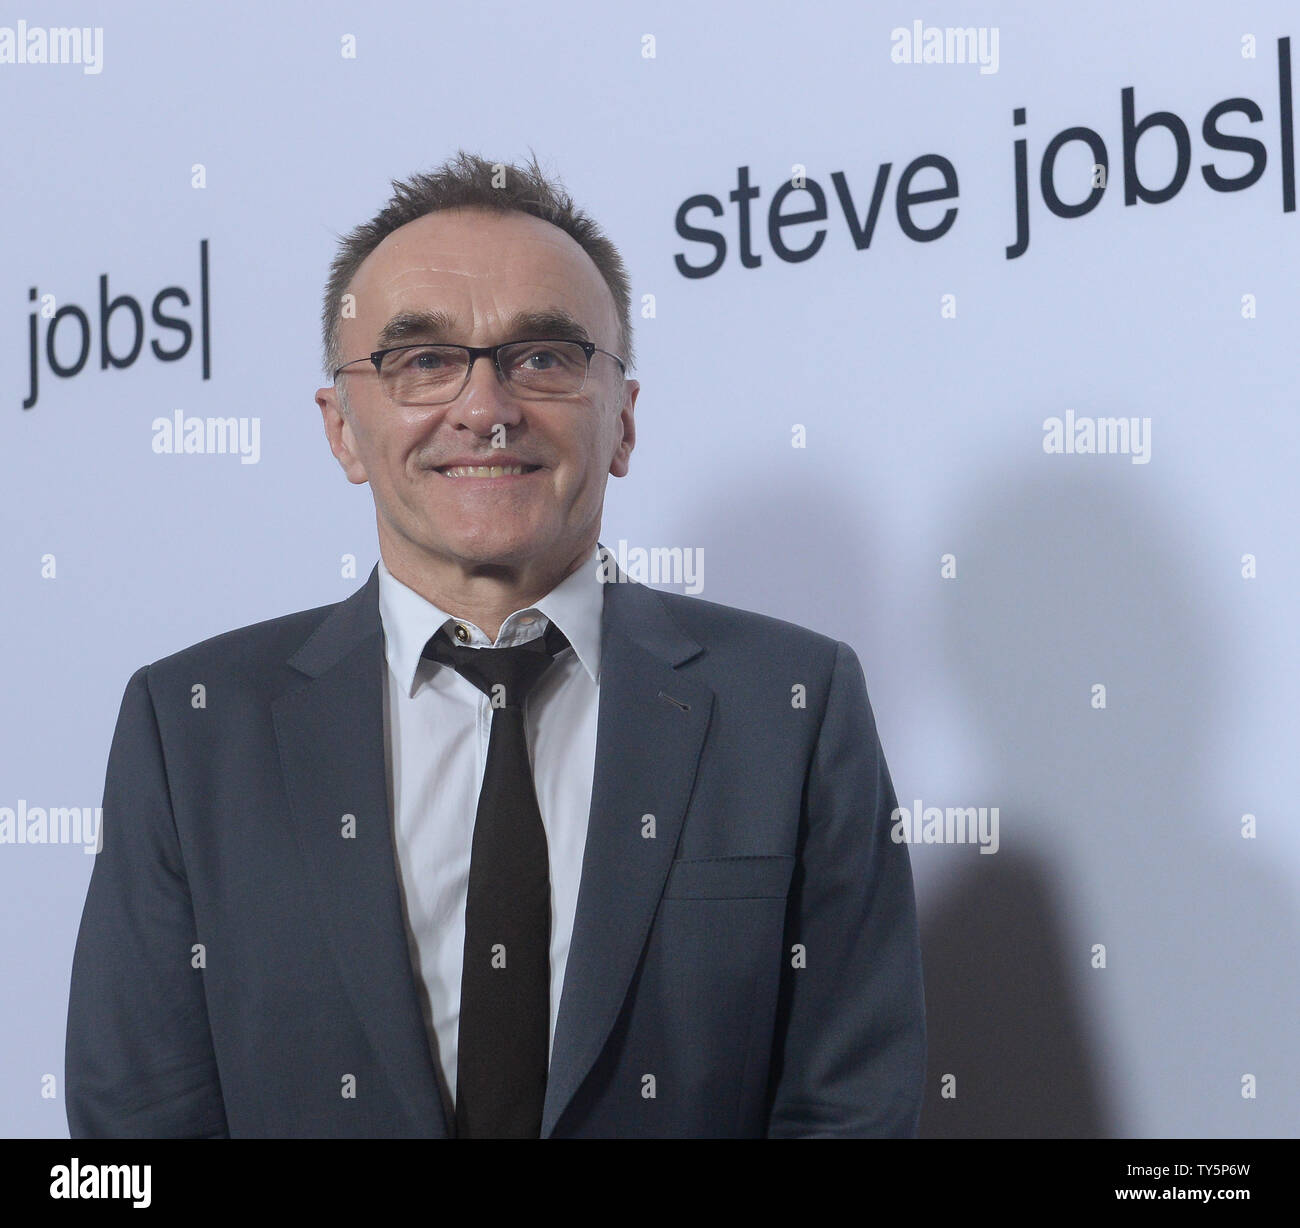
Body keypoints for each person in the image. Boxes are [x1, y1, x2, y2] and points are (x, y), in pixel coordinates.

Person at [65, 151, 926, 1138]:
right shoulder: (191, 727)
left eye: (544, 357)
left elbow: (849, 1106)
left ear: (623, 424)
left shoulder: (795, 704)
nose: (484, 406)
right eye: (422, 360)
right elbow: (137, 1118)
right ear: (341, 428)